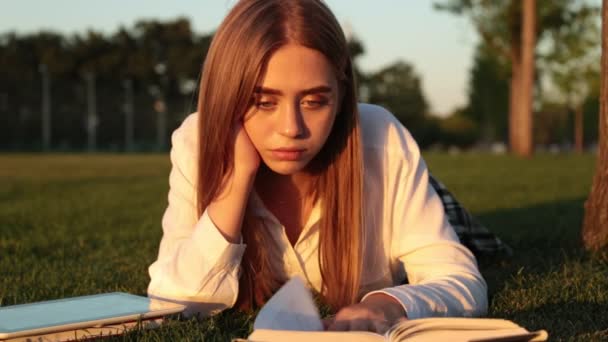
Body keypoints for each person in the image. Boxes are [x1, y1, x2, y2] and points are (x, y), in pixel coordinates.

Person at [147, 0, 487, 333]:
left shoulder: (381, 139)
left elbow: (459, 279)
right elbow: (172, 302)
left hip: (404, 185)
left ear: (340, 97)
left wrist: (387, 304)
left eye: (314, 101)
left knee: (470, 233)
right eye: (263, 102)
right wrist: (235, 182)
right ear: (227, 96)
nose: (291, 128)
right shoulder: (199, 139)